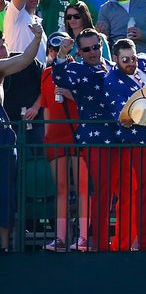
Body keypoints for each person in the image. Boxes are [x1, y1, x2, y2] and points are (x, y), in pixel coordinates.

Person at [51, 28, 114, 251]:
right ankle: (95, 239)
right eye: (86, 49)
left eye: (96, 47)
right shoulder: (77, 70)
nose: (93, 52)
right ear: (80, 51)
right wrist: (61, 55)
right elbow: (58, 77)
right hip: (94, 139)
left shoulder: (113, 68)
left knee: (118, 190)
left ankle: (116, 238)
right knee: (103, 189)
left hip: (120, 137)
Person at [102, 38, 146, 250]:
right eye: (125, 59)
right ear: (115, 59)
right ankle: (141, 243)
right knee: (141, 193)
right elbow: (126, 115)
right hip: (136, 143)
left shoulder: (145, 63)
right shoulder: (112, 80)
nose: (131, 63)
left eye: (134, 57)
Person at [29, 33, 90, 251]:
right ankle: (61, 237)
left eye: (62, 47)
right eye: (53, 49)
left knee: (83, 188)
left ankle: (83, 237)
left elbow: (89, 103)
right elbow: (46, 107)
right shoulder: (45, 74)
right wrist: (47, 136)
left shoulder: (79, 70)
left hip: (78, 135)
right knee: (61, 189)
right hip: (55, 138)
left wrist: (69, 94)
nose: (56, 52)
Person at [0, 24, 42, 252]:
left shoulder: (2, 68)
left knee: (5, 194)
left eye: (3, 41)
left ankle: (5, 248)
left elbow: (26, 59)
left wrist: (37, 37)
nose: (2, 45)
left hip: (3, 140)